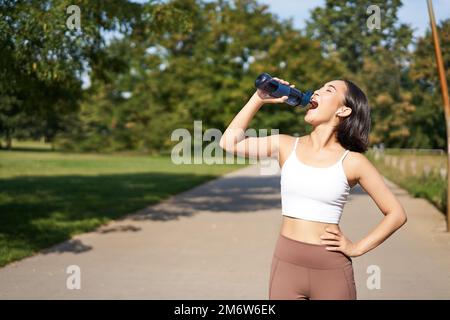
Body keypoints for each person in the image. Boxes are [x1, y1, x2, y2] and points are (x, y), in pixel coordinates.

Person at [219, 76, 407, 300]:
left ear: (344, 111)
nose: (316, 91)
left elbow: (396, 214)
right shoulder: (286, 145)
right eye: (319, 87)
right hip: (286, 264)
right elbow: (228, 143)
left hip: (331, 269)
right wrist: (258, 98)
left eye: (328, 90)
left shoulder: (353, 162)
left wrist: (356, 248)